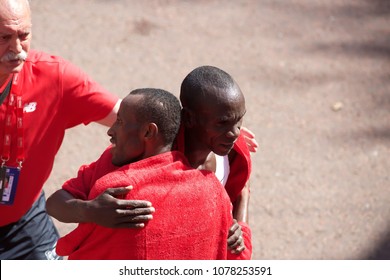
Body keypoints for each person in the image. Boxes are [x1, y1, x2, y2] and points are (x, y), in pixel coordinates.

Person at [0, 0, 155, 260]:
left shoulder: (54, 78)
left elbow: (134, 123)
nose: (16, 49)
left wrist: (206, 131)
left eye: (24, 35)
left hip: (24, 223)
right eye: (4, 37)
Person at [49, 88, 234, 259]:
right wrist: (90, 211)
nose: (110, 130)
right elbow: (53, 203)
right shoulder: (214, 191)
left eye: (120, 121)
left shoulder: (115, 187)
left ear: (148, 131)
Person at [178, 65, 253, 259]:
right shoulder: (154, 159)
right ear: (189, 118)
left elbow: (238, 252)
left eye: (239, 120)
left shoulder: (233, 153)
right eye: (223, 123)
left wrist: (239, 221)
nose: (235, 133)